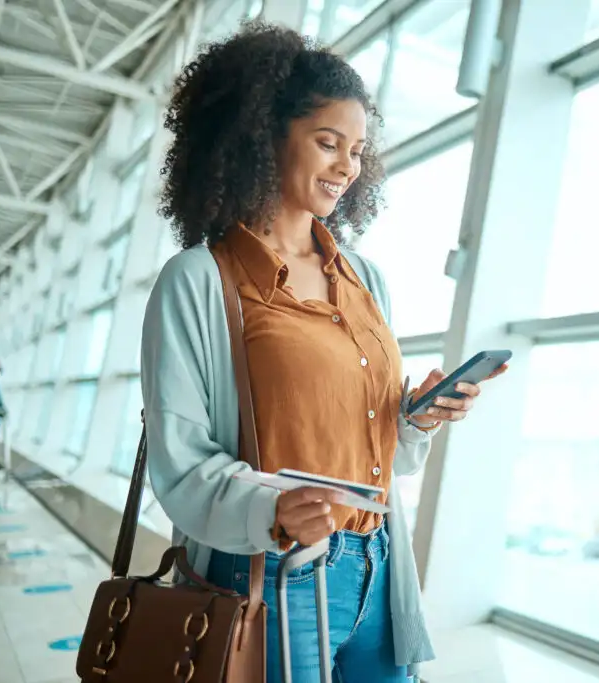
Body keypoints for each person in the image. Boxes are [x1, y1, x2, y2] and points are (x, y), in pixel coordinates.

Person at [140, 23, 507, 683]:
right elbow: (181, 458)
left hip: (381, 562)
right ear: (262, 137)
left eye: (358, 150)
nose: (347, 166)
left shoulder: (366, 280)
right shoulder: (200, 281)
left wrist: (416, 415)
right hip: (272, 568)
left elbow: (369, 442)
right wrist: (271, 508)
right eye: (327, 142)